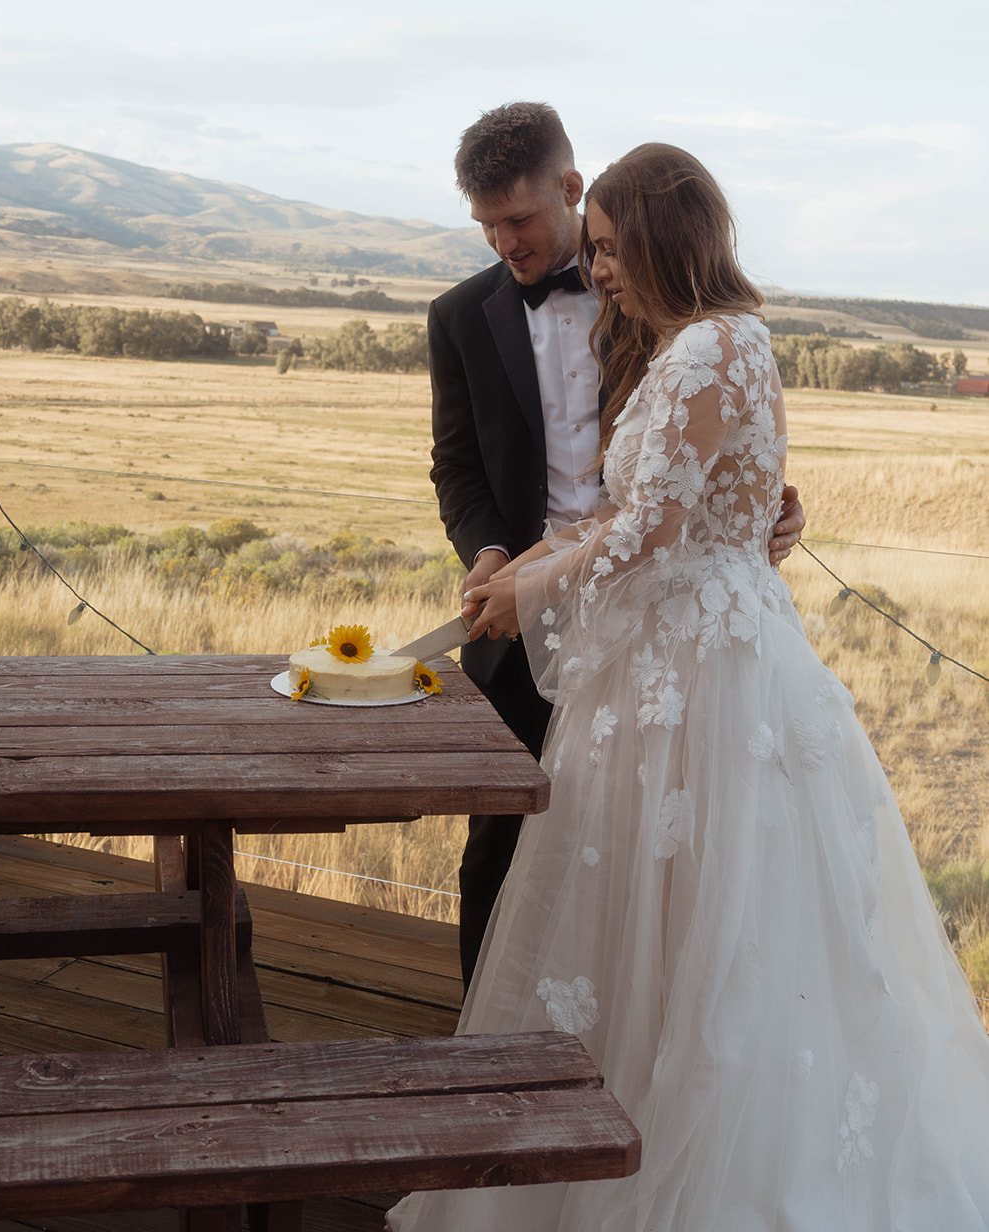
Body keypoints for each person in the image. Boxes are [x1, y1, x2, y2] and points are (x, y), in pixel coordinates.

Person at [390, 143, 989, 1232]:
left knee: (706, 897)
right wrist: (510, 563)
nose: (593, 266)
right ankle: (548, 1094)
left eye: (607, 247)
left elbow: (652, 522)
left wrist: (568, 577)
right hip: (639, 640)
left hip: (689, 668)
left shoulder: (699, 341)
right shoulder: (662, 334)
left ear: (623, 223)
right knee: (571, 875)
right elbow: (516, 478)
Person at [428, 102, 804, 987]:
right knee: (503, 847)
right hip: (522, 611)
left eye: (517, 220)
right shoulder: (457, 317)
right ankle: (483, 1054)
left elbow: (696, 467)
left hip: (653, 626)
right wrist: (491, 558)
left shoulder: (654, 303)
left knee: (650, 847)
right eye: (485, 226)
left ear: (570, 189)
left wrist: (762, 516)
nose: (504, 244)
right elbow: (456, 468)